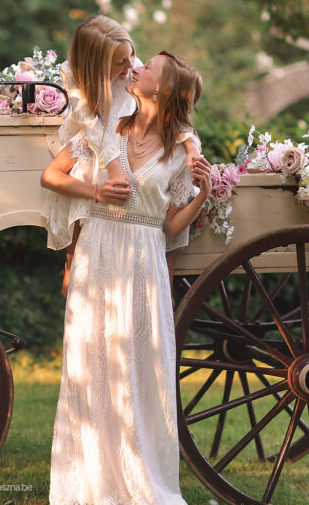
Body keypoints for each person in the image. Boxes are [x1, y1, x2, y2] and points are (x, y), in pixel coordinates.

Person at [41, 51, 211, 505]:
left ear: (164, 88)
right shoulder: (105, 127)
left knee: (137, 364)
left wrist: (204, 193)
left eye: (147, 67)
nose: (136, 67)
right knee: (91, 359)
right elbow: (51, 175)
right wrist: (94, 192)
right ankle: (91, 479)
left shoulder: (180, 149)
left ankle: (138, 477)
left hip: (144, 257)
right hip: (98, 248)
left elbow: (173, 226)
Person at [41, 16, 201, 297]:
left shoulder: (136, 72)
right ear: (99, 65)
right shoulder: (83, 83)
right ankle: (72, 261)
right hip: (102, 124)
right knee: (87, 169)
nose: (132, 68)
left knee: (158, 185)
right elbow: (90, 126)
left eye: (133, 58)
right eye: (121, 63)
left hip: (138, 114)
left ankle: (163, 283)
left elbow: (176, 114)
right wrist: (108, 178)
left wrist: (190, 148)